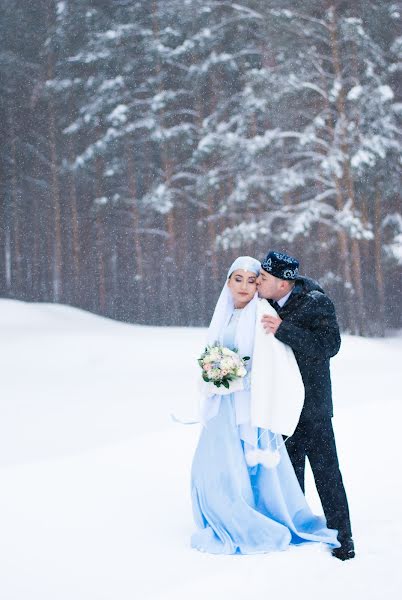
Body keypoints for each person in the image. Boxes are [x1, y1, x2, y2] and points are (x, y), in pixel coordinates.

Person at [190, 256, 340, 555]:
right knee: (218, 464)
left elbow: (276, 362)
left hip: (266, 402)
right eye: (239, 279)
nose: (247, 286)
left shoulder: (268, 312)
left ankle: (336, 532)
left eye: (253, 279)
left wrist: (239, 376)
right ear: (228, 282)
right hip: (225, 404)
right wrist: (216, 371)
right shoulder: (226, 313)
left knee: (308, 469)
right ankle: (225, 514)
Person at [257, 250, 355, 561]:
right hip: (281, 408)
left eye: (264, 278)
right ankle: (296, 535)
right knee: (288, 474)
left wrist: (284, 329)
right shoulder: (264, 304)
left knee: (327, 475)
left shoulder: (316, 301)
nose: (258, 282)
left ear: (284, 284)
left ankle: (343, 540)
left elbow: (329, 346)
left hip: (313, 407)